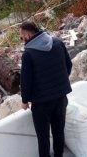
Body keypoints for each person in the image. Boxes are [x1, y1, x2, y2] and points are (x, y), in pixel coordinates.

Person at [19, 21, 73, 157]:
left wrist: (25, 101)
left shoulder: (28, 54)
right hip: (61, 97)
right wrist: (60, 83)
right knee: (59, 132)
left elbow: (26, 81)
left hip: (41, 103)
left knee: (43, 138)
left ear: (27, 35)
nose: (22, 40)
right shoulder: (57, 43)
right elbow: (68, 65)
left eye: (21, 37)